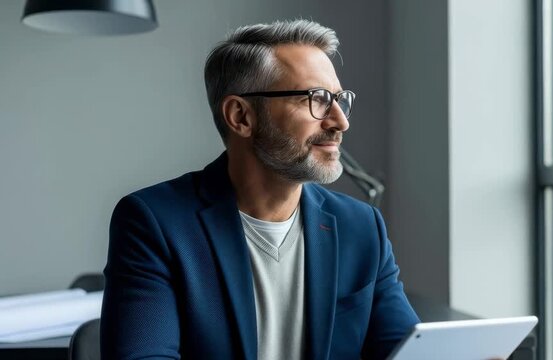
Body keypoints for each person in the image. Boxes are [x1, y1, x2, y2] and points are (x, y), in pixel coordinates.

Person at [101, 19, 419, 360]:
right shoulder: (156, 223)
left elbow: (409, 351)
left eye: (340, 99)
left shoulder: (361, 225)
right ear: (241, 116)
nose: (340, 121)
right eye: (317, 99)